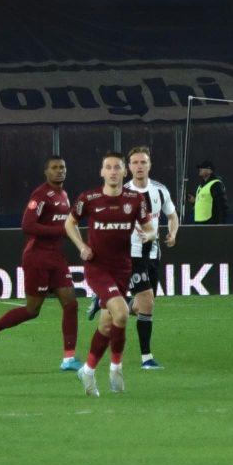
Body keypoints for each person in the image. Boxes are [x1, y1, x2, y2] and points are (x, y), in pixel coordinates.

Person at [66, 155, 154, 395]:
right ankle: (116, 367)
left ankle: (87, 370)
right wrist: (81, 247)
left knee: (107, 323)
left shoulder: (136, 200)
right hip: (97, 267)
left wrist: (150, 235)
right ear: (101, 172)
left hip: (122, 267)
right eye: (108, 167)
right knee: (123, 312)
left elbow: (149, 228)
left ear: (124, 172)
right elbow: (69, 223)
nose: (113, 171)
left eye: (117, 167)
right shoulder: (89, 198)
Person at [0, 156, 79, 367]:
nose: (60, 171)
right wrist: (59, 231)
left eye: (63, 167)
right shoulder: (41, 195)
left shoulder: (64, 195)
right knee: (32, 310)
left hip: (57, 257)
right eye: (55, 168)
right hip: (37, 257)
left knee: (71, 304)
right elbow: (27, 225)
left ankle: (69, 358)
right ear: (46, 172)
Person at [122, 147, 180, 367]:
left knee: (143, 306)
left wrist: (173, 232)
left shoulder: (160, 190)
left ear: (149, 165)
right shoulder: (122, 192)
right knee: (147, 303)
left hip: (153, 253)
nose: (139, 166)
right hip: (131, 254)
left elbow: (172, 216)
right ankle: (146, 358)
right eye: (135, 162)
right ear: (128, 167)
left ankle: (108, 302)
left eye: (143, 162)